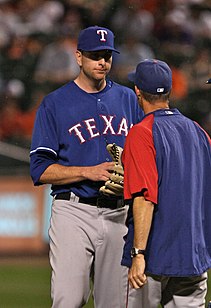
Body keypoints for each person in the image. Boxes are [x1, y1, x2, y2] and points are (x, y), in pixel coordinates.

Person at [30, 26, 144, 307]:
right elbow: (40, 169)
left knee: (115, 302)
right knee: (69, 298)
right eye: (95, 55)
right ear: (78, 57)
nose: (102, 62)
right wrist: (86, 171)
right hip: (74, 210)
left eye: (107, 55)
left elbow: (144, 153)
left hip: (120, 212)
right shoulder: (55, 103)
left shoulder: (129, 99)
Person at [121, 59, 211, 307]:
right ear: (170, 91)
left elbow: (144, 197)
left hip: (153, 255)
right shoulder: (198, 131)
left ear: (137, 91)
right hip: (192, 255)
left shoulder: (142, 133)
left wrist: (138, 253)